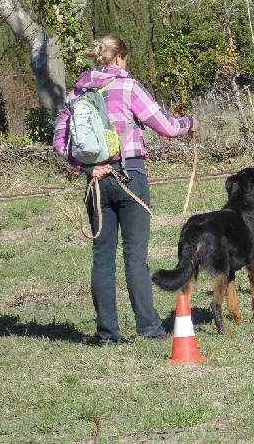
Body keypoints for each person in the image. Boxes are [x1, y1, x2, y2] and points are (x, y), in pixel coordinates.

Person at [52, 35, 198, 346]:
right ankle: (149, 329)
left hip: (95, 183)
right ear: (119, 58)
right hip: (130, 176)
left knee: (102, 258)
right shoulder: (128, 87)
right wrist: (190, 122)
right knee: (135, 257)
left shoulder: (76, 94)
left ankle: (107, 335)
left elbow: (59, 143)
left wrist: (88, 169)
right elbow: (168, 127)